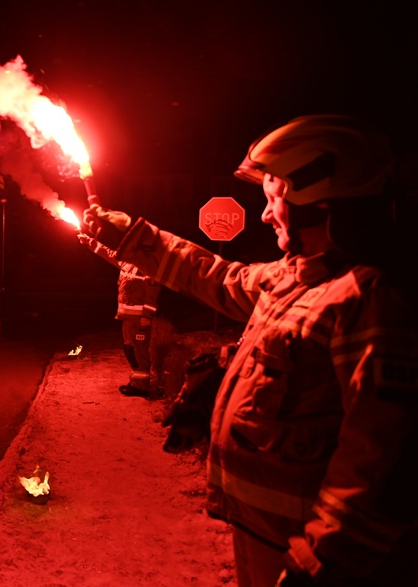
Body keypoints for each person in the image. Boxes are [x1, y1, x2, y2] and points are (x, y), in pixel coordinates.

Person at [80, 115, 417, 586]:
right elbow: (217, 277)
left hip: (309, 555)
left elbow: (381, 457)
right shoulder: (290, 279)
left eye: (272, 200)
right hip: (263, 530)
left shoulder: (367, 301)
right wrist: (137, 239)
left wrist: (321, 559)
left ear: (316, 204)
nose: (263, 215)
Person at [79, 233, 162, 397]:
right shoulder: (128, 264)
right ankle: (136, 382)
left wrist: (147, 317)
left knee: (140, 352)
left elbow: (153, 296)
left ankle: (142, 387)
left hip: (140, 320)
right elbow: (108, 254)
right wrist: (89, 241)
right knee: (130, 351)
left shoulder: (149, 268)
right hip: (127, 319)